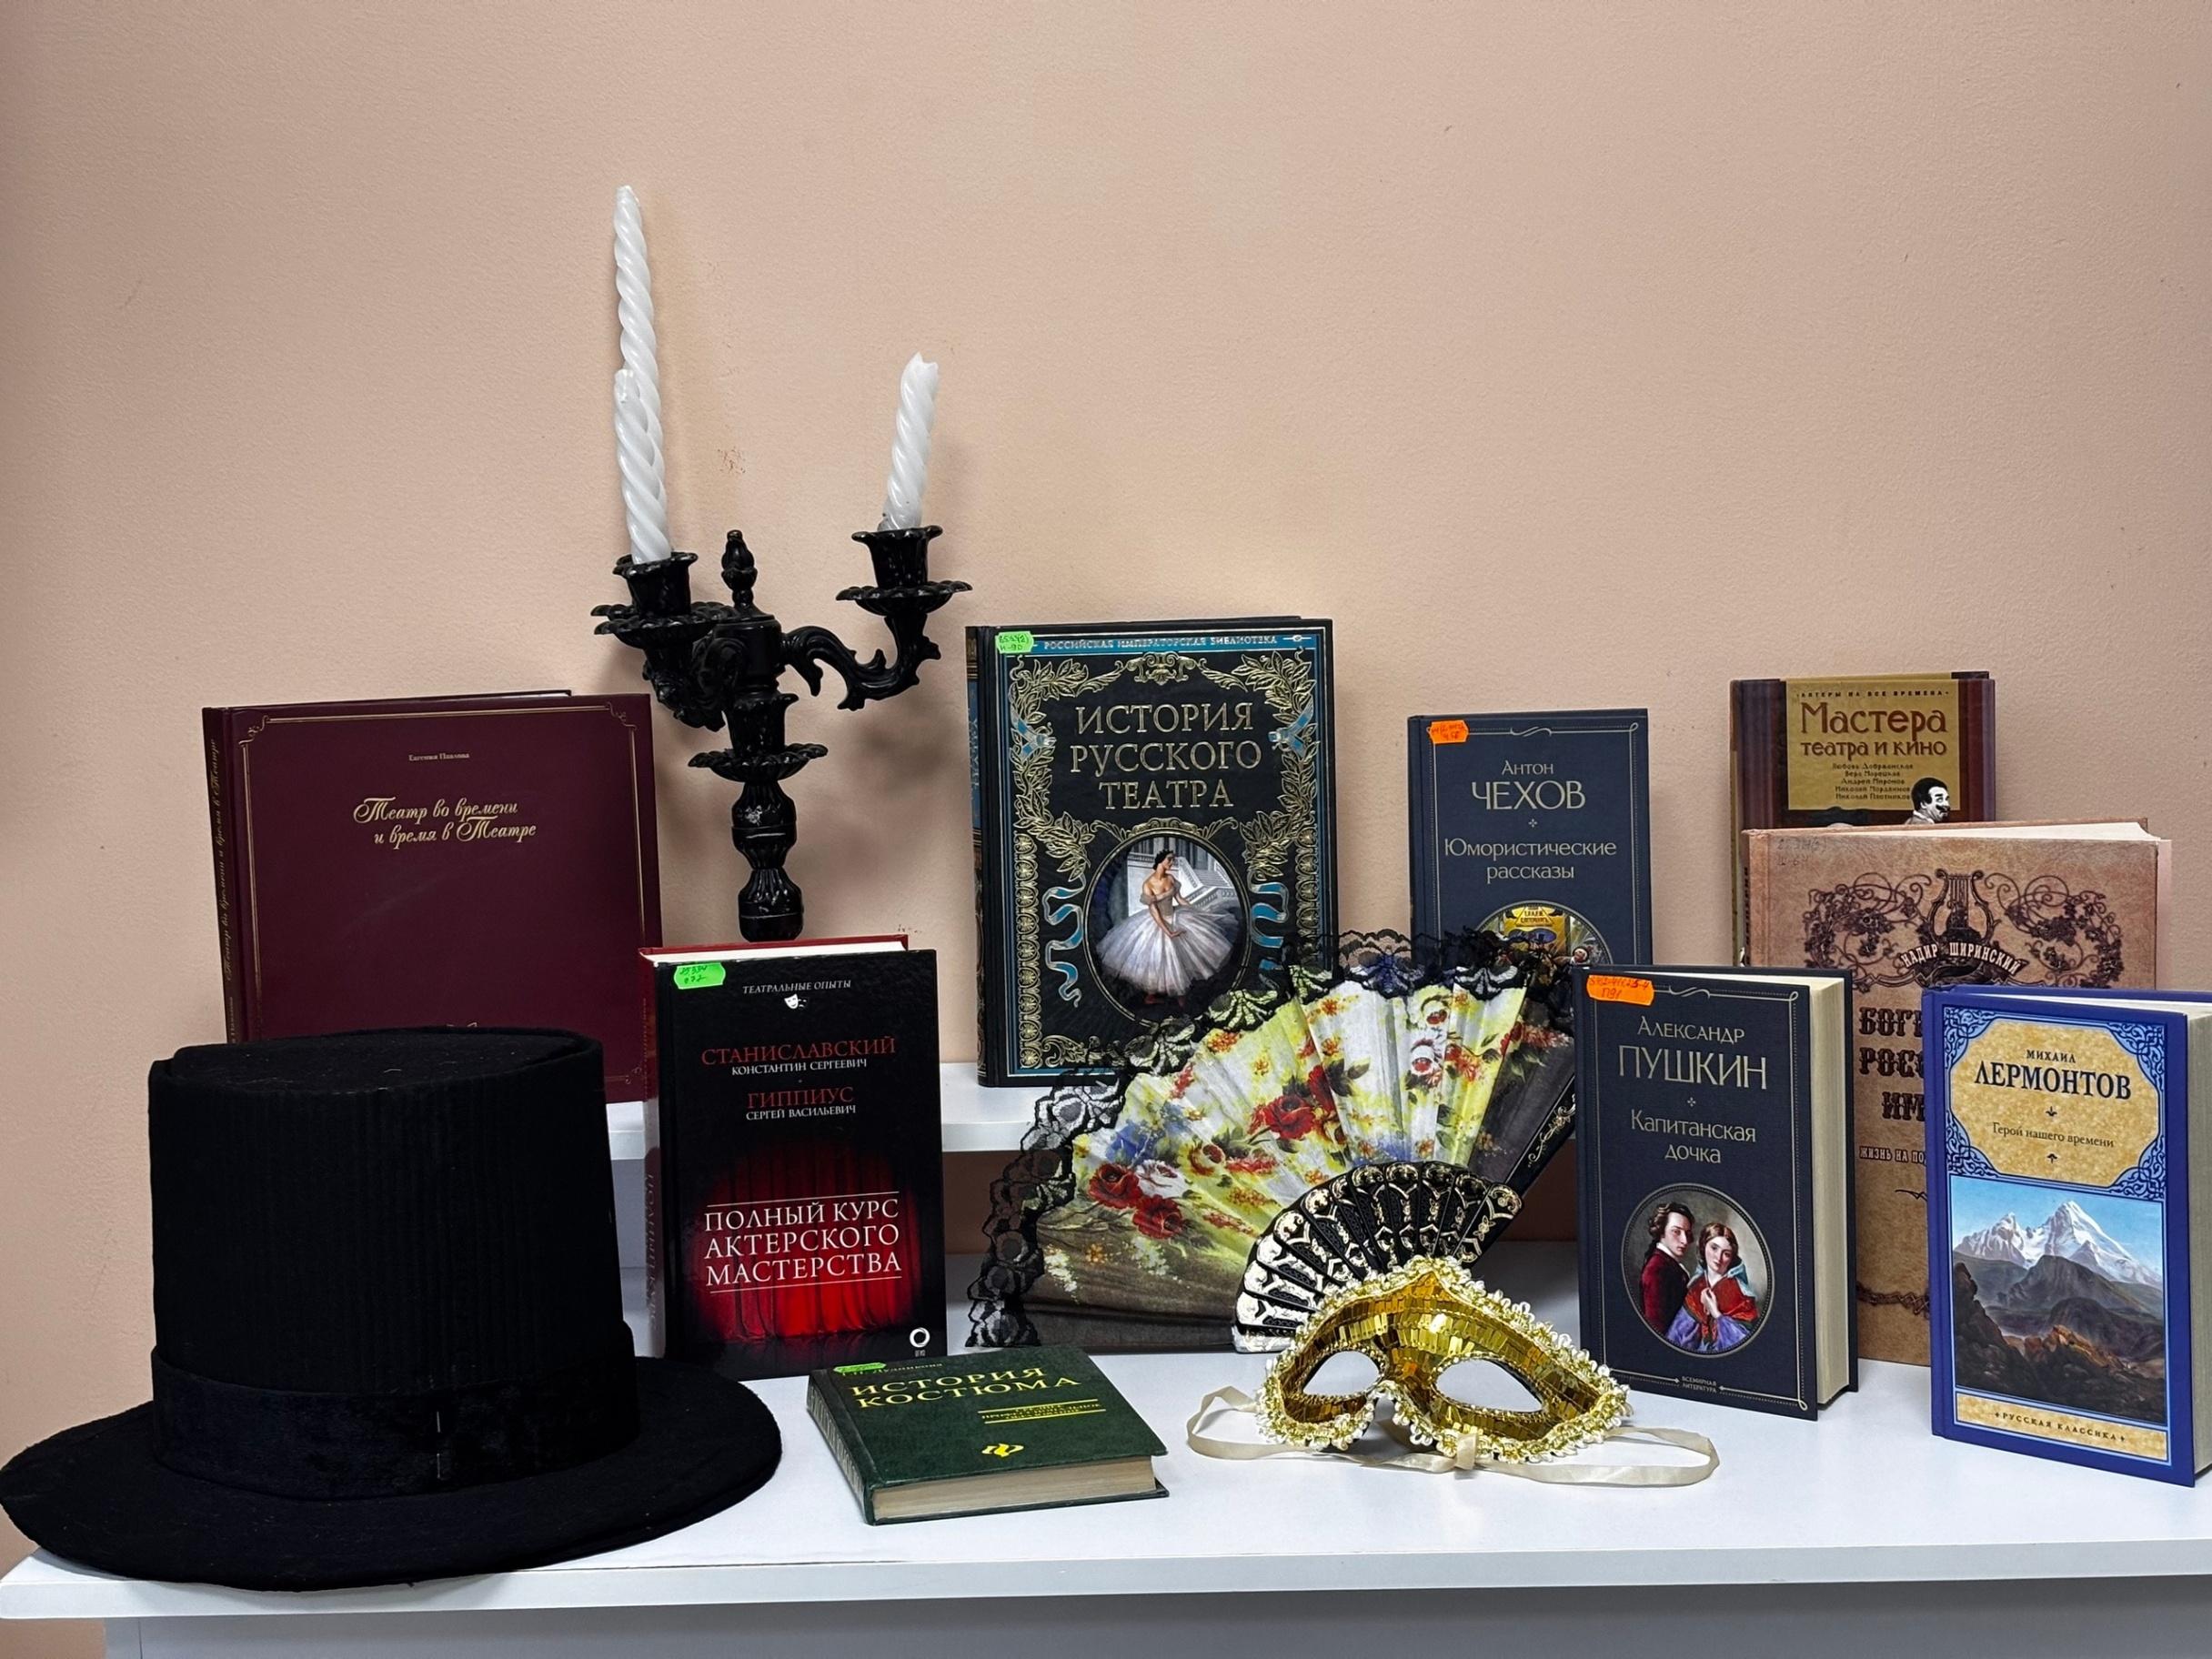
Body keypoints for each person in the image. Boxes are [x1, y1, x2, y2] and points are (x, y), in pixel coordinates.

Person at [1093, 846, 1241, 1000]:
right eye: (1169, 859)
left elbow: (1180, 899)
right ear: (1160, 861)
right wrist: (1167, 931)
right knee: (1159, 958)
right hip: (1157, 921)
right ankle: (1154, 996)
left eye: (1173, 860)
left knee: (1183, 956)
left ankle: (1180, 999)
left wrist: (1196, 910)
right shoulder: (1148, 884)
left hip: (1176, 915)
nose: (1172, 863)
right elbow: (1154, 911)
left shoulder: (1170, 879)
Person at [1666, 1222, 1760, 1353]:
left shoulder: (1742, 1295)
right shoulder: (1696, 1287)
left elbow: (1746, 1345)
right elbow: (1677, 1336)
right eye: (1714, 1248)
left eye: (1726, 1254)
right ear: (1704, 1246)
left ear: (1732, 1258)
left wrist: (1716, 1313)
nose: (1718, 1257)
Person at [1639, 1202, 1694, 1332]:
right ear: (1661, 1231)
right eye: (1676, 1232)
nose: (1685, 1240)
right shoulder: (1656, 1271)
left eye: (1687, 1233)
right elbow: (1656, 1329)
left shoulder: (1670, 1265)